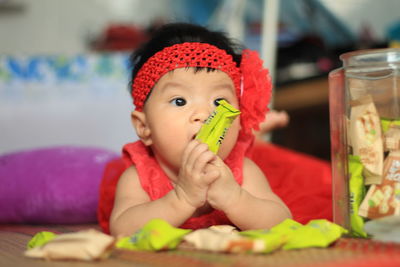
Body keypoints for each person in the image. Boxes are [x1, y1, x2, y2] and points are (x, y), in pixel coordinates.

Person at [105, 23, 292, 237]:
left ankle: (261, 130)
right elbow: (122, 229)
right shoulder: (139, 176)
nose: (204, 114)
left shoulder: (242, 170)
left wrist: (236, 198)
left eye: (219, 101)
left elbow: (283, 222)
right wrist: (181, 198)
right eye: (179, 101)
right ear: (144, 126)